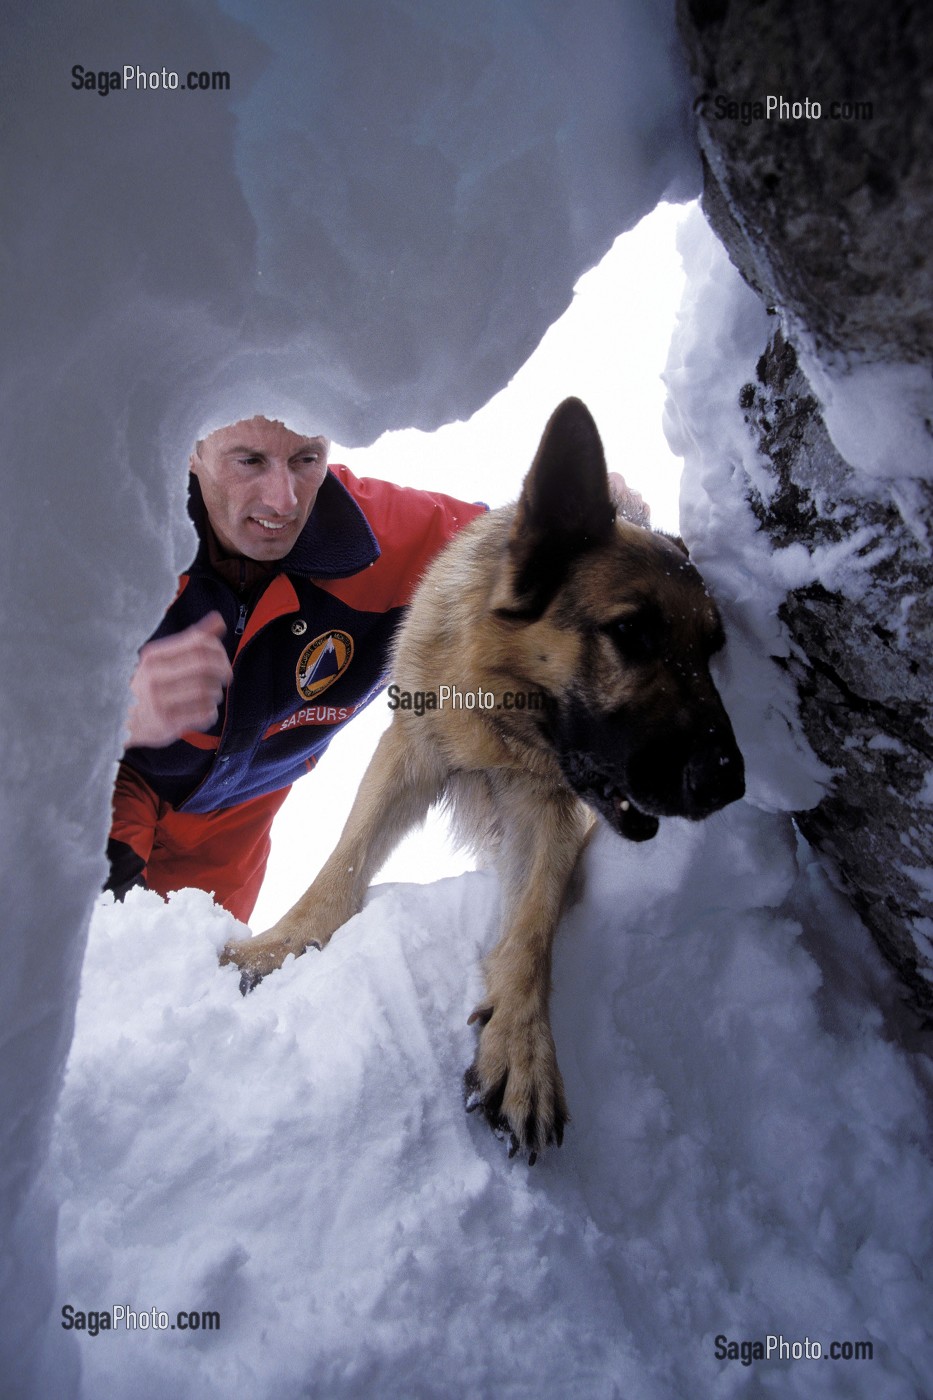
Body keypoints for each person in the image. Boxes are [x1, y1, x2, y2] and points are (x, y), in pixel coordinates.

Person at [106, 416, 486, 922]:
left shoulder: (379, 540)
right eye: (250, 461)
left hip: (236, 817)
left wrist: (603, 515)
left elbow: (526, 545)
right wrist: (108, 710)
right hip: (108, 780)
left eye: (306, 459)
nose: (283, 501)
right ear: (190, 451)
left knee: (186, 979)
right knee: (74, 957)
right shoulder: (110, 529)